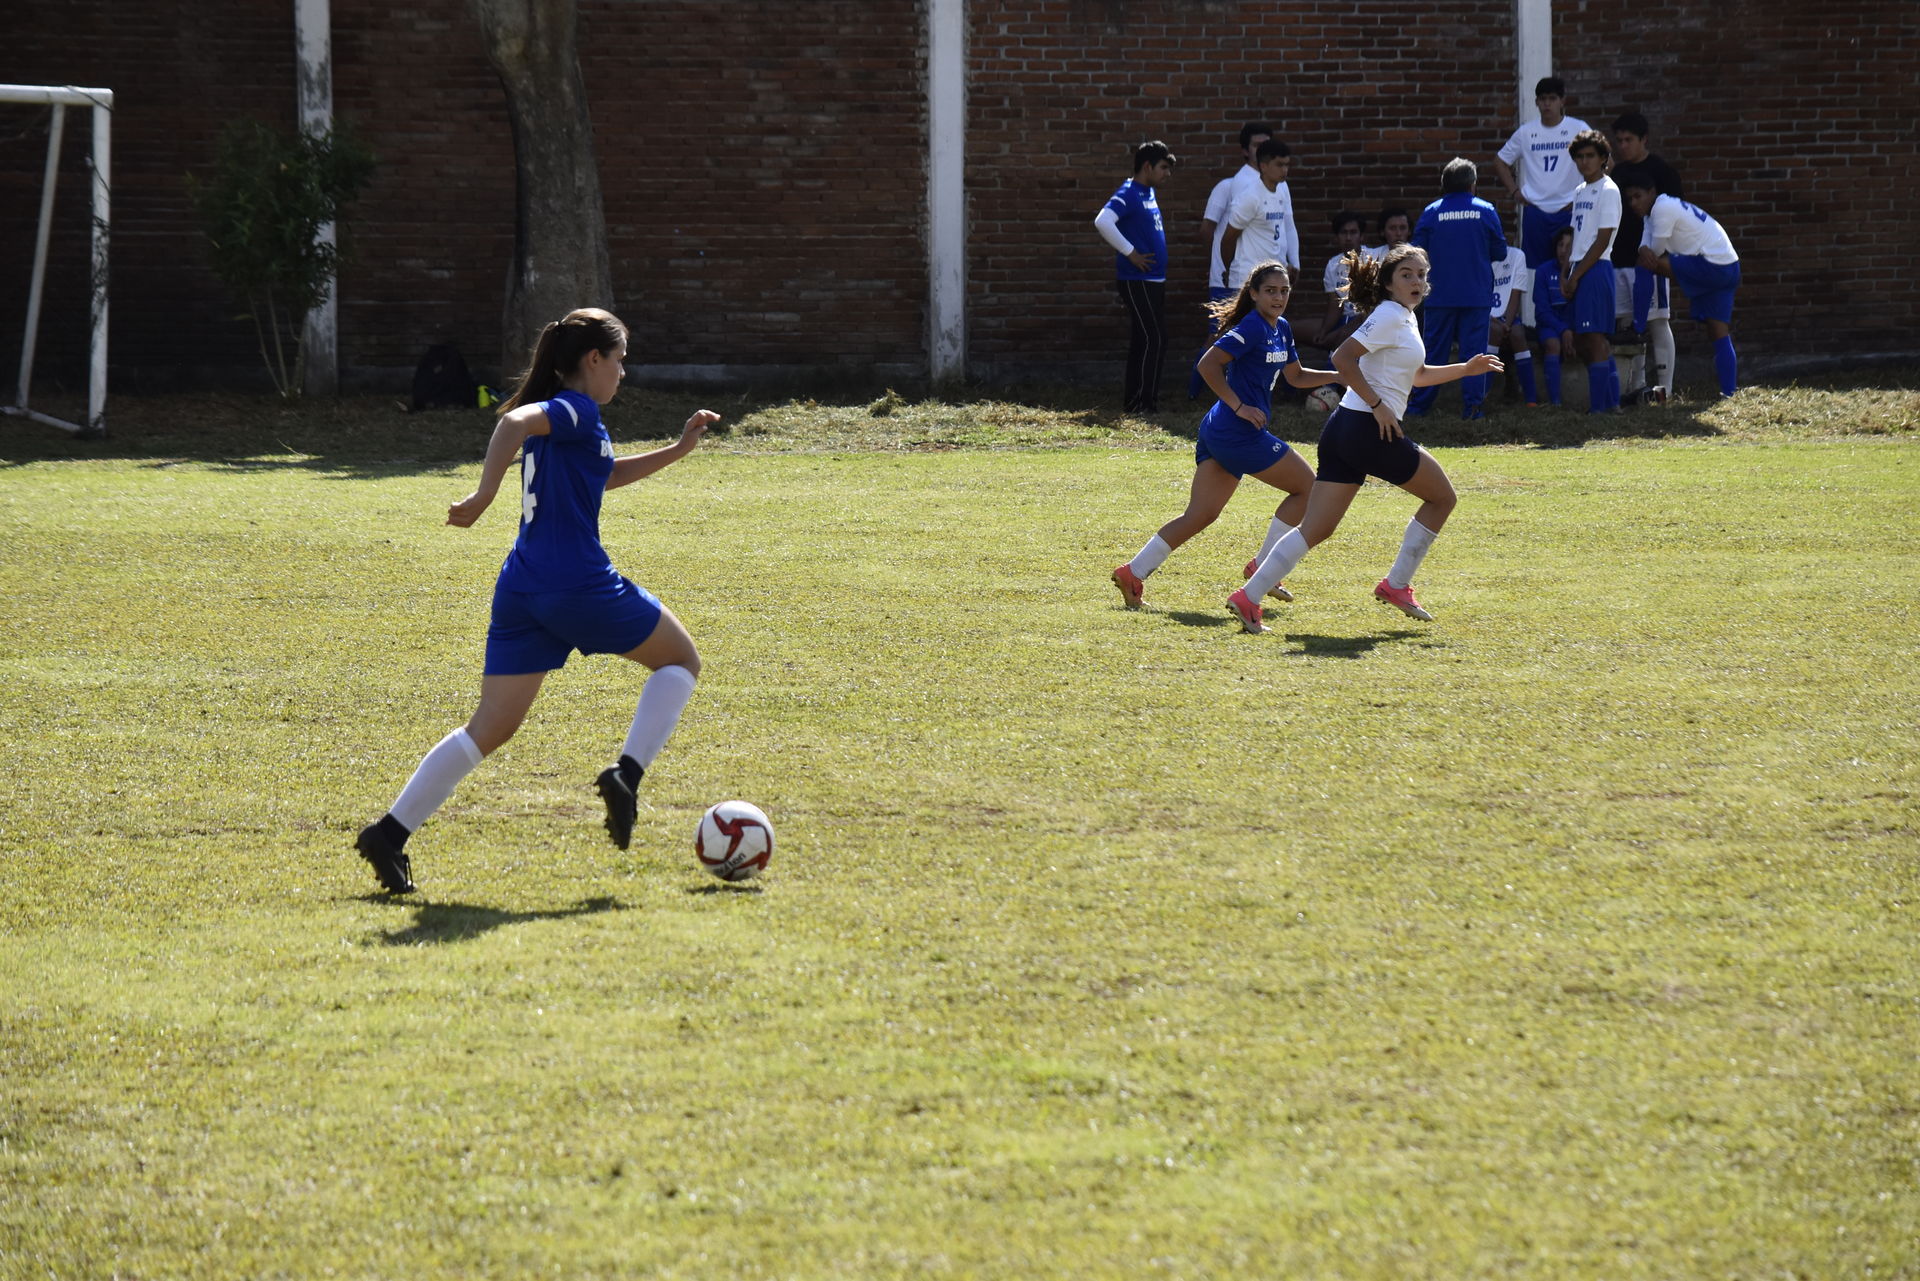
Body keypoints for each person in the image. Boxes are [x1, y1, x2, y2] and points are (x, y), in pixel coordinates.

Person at [354, 308, 718, 894]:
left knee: (487, 728)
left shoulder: (576, 424)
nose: (623, 373)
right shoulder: (575, 408)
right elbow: (512, 422)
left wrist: (678, 450)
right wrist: (483, 493)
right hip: (577, 584)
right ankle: (626, 775)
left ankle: (389, 834)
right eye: (619, 360)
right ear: (592, 361)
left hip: (522, 590)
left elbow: (603, 475)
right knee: (681, 660)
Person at [1232, 245, 1502, 631]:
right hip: (1368, 430)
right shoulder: (1391, 315)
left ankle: (1248, 596)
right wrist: (1378, 405)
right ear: (1390, 283)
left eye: (1422, 275)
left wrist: (1466, 368)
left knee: (1316, 528)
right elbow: (1342, 358)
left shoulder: (1404, 318)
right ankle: (1396, 585)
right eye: (1407, 274)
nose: (1417, 281)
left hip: (1345, 430)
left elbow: (1418, 375)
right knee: (1443, 497)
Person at [1112, 263, 1338, 613]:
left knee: (1201, 514)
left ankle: (1133, 572)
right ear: (1254, 294)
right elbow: (1207, 364)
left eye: (1284, 291)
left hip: (1222, 432)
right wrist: (1239, 406)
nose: (1279, 297)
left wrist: (1343, 375)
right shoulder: (1251, 327)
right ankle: (1264, 567)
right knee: (1309, 488)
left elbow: (1296, 376)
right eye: (1270, 291)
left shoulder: (1282, 329)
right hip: (1236, 433)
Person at [1407, 157, 1506, 419]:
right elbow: (1500, 251)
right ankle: (1473, 409)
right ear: (1473, 185)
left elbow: (1415, 254)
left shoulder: (1431, 212)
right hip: (1476, 295)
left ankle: (1418, 407)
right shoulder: (1486, 210)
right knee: (1474, 354)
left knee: (1433, 352)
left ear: (1444, 185)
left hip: (1439, 295)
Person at [1625, 181, 1743, 397]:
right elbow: (1645, 246)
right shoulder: (1653, 213)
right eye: (1629, 198)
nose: (1633, 202)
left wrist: (1645, 252)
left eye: (1638, 195)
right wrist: (1644, 250)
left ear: (1652, 191)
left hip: (1713, 265)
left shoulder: (1662, 208)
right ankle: (1729, 392)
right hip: (1729, 264)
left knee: (1645, 266)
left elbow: (1656, 252)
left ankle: (1638, 327)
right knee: (1718, 331)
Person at [1190, 122, 1272, 399]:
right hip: (1227, 275)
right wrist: (1221, 262)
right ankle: (1195, 392)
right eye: (1257, 146)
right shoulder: (1227, 187)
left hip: (1252, 275)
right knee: (1219, 335)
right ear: (1245, 151)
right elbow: (1208, 230)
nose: (1262, 152)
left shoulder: (1272, 189)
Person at [1093, 140, 1177, 413]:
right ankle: (1142, 404)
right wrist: (1130, 252)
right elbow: (1103, 221)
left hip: (1153, 280)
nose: (1167, 174)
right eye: (1163, 168)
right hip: (1136, 279)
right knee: (1155, 337)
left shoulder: (1147, 192)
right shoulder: (1129, 191)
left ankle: (1141, 401)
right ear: (1147, 166)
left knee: (1147, 338)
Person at [1609, 112, 1686, 403]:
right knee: (1627, 323)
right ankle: (1637, 386)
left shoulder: (1663, 173)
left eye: (1629, 140)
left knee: (1657, 321)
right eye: (1619, 141)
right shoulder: (1616, 175)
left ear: (1644, 139)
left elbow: (1676, 216)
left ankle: (1666, 388)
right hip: (1620, 257)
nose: (1623, 146)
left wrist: (1662, 255)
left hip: (1651, 259)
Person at [1493, 76, 1592, 268]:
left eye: (1553, 98)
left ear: (1562, 101)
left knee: (1573, 266)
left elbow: (1606, 161)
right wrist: (1515, 192)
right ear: (1537, 102)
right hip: (1536, 211)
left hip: (1568, 209)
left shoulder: (1578, 128)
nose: (1547, 104)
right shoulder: (1526, 132)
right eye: (1543, 99)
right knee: (1536, 272)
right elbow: (1500, 161)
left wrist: (1585, 194)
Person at [1563, 129, 1622, 413]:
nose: (1584, 162)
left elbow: (1602, 239)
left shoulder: (1609, 190)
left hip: (1596, 268)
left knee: (1595, 337)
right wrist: (1567, 270)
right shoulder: (1580, 191)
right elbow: (1577, 233)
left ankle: (1601, 411)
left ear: (1603, 159)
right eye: (1579, 157)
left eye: (1590, 156)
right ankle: (1613, 405)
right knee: (1586, 339)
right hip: (1578, 267)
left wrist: (1576, 275)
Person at [1219, 139, 1299, 292]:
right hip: (1246, 280)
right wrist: (1231, 269)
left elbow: (1283, 231)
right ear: (1263, 166)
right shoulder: (1250, 197)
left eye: (1287, 165)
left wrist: (1292, 264)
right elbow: (1228, 239)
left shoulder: (1282, 189)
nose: (1285, 170)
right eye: (1279, 165)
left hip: (1273, 279)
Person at [1530, 224, 1576, 406]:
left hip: (1574, 326)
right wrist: (1563, 329)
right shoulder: (1544, 271)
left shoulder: (1580, 271)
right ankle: (1555, 402)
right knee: (1552, 344)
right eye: (1560, 245)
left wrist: (1570, 329)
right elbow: (1542, 310)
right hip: (1550, 326)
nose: (1563, 251)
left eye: (1569, 246)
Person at [1489, 233, 1538, 404]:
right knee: (1493, 332)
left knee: (1518, 334)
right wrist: (1497, 323)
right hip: (1484, 316)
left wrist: (1506, 324)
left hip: (1507, 317)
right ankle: (1483, 396)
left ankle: (1531, 399)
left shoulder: (1517, 255)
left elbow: (1515, 294)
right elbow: (1477, 299)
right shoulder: (1477, 257)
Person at [1309, 209, 1367, 350]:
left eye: (1353, 232)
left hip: (1367, 321)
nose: (1348, 238)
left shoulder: (1373, 259)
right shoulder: (1333, 265)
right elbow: (1335, 305)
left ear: (1362, 236)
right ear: (1337, 237)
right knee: (1296, 330)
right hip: (1344, 320)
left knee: (1340, 343)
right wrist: (1324, 331)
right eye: (1343, 233)